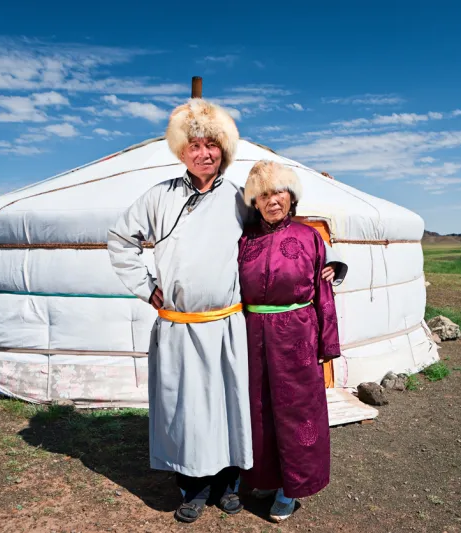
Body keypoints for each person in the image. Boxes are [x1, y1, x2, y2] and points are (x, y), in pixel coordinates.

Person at [107, 100, 339, 523]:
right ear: (181, 152)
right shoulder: (158, 197)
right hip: (180, 326)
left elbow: (283, 226)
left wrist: (332, 261)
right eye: (194, 146)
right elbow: (120, 239)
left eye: (211, 146)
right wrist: (146, 287)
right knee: (188, 410)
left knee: (234, 406)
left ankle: (232, 483)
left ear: (224, 151)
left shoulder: (238, 199)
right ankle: (193, 488)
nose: (203, 154)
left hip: (231, 323)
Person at [238, 160, 343, 522]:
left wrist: (327, 345)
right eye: (264, 194)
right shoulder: (243, 238)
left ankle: (291, 487)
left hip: (297, 332)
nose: (272, 200)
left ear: (291, 196)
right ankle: (265, 478)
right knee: (259, 409)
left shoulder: (308, 237)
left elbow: (323, 292)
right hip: (252, 334)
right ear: (254, 201)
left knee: (297, 412)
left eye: (279, 192)